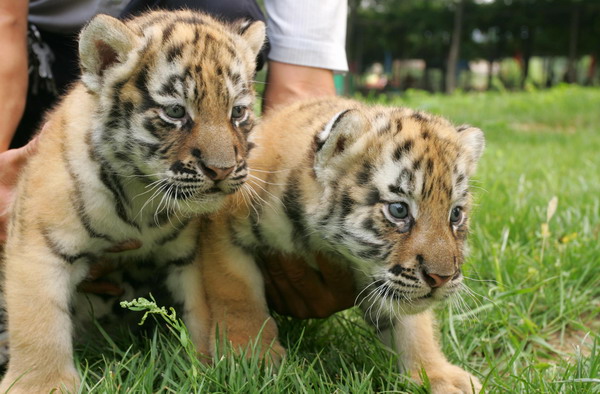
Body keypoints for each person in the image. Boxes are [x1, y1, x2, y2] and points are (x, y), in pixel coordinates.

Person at [0, 0, 356, 319]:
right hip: (43, 53)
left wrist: (292, 215)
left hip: (178, 42)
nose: (221, 161)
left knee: (227, 9)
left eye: (238, 113)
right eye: (174, 113)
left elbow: (299, 93)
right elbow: (5, 24)